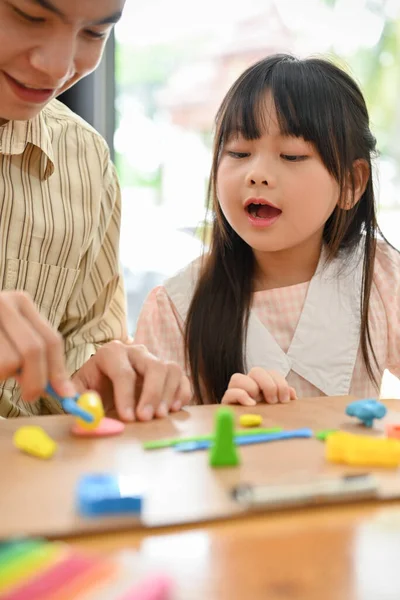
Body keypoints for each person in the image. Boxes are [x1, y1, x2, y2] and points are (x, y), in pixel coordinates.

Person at [134, 53, 400, 406]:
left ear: (351, 183)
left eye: (291, 156)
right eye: (239, 152)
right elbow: (157, 444)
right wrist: (217, 421)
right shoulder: (176, 307)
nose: (256, 174)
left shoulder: (382, 277)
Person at [0, 0, 191, 421]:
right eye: (30, 17)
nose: (57, 66)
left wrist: (97, 377)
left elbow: (87, 337)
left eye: (94, 34)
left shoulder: (84, 158)